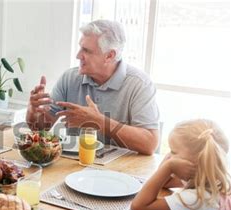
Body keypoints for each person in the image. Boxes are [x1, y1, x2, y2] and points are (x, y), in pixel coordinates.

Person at [26, 20, 159, 155]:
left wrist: (98, 121)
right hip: (74, 165)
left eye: (86, 51)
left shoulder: (139, 84)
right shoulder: (69, 78)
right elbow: (41, 129)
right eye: (80, 48)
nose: (78, 55)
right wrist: (33, 112)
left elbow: (149, 144)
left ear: (109, 55)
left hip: (121, 171)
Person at [125, 119, 231, 210]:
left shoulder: (197, 200)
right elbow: (166, 182)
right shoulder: (216, 182)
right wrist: (171, 163)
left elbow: (139, 206)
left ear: (194, 162)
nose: (168, 157)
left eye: (173, 152)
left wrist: (168, 167)